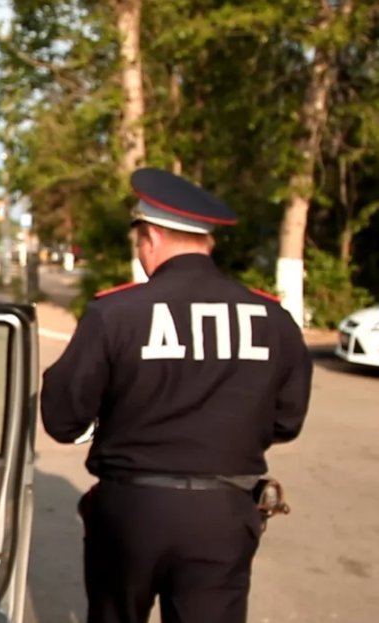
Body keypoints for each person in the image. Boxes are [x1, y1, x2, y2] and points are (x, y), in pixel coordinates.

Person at [40, 167, 313, 623]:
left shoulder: (117, 312)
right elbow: (287, 422)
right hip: (223, 516)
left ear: (149, 236)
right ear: (208, 242)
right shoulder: (272, 318)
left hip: (131, 513)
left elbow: (62, 418)